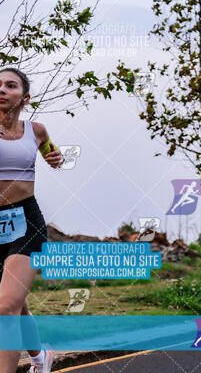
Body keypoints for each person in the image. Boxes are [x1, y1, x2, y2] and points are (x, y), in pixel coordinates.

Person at [0, 68, 63, 373]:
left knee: (6, 306)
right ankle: (40, 358)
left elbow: (55, 158)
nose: (1, 89)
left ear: (24, 98)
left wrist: (56, 157)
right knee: (16, 306)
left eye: (10, 86)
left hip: (25, 221)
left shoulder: (36, 131)